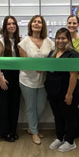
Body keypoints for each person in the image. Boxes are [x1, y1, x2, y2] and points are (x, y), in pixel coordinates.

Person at [18, 15, 55, 145]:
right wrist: (35, 68)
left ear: (43, 25)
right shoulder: (24, 42)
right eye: (34, 21)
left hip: (44, 80)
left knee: (40, 106)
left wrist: (44, 69)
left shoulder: (49, 42)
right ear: (31, 25)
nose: (37, 24)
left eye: (39, 22)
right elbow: (23, 62)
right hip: (27, 80)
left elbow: (53, 59)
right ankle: (34, 132)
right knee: (30, 107)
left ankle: (31, 127)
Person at [45, 28, 79, 152]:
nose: (60, 41)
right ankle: (60, 138)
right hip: (53, 91)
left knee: (69, 116)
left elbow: (73, 75)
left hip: (66, 91)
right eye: (58, 38)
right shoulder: (52, 53)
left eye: (63, 38)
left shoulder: (73, 54)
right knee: (58, 116)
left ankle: (70, 141)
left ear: (68, 40)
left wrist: (69, 94)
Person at [0, 16, 21, 142]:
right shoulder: (0, 40)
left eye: (13, 23)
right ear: (5, 26)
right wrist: (0, 78)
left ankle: (13, 131)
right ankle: (4, 133)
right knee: (4, 105)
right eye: (9, 24)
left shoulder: (19, 40)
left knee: (15, 104)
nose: (11, 26)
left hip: (16, 75)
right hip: (3, 75)